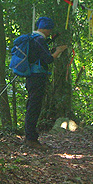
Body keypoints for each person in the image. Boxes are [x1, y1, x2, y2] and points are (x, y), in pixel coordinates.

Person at [24, 16, 67, 149]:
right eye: (49, 30)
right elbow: (48, 59)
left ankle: (30, 136)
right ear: (46, 29)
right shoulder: (39, 40)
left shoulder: (33, 38)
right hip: (37, 76)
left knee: (32, 105)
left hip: (31, 76)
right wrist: (59, 51)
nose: (50, 32)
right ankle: (31, 139)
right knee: (34, 107)